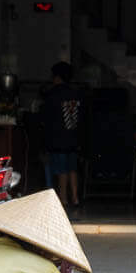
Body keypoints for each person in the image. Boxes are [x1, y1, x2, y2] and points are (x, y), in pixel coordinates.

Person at [43, 61, 81, 213]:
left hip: (58, 138)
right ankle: (75, 198)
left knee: (61, 169)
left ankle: (63, 198)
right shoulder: (76, 93)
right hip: (74, 137)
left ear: (57, 77)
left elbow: (47, 117)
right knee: (72, 168)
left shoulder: (53, 94)